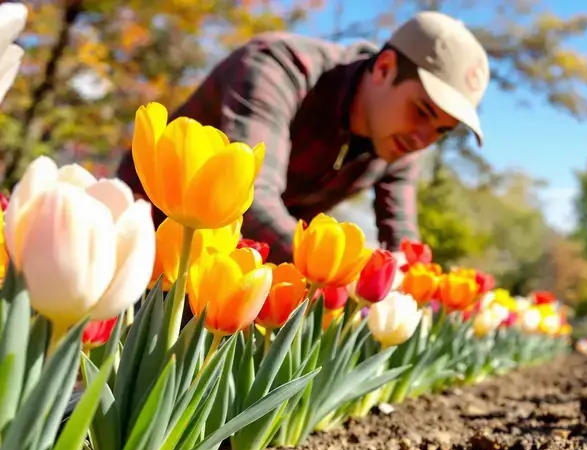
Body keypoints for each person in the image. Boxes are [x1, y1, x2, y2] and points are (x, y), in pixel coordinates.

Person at [114, 11, 490, 264]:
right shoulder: (279, 67)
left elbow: (403, 242)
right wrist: (338, 273)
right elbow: (251, 199)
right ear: (385, 68)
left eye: (442, 130)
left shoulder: (402, 144)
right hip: (143, 235)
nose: (425, 138)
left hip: (230, 263)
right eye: (423, 110)